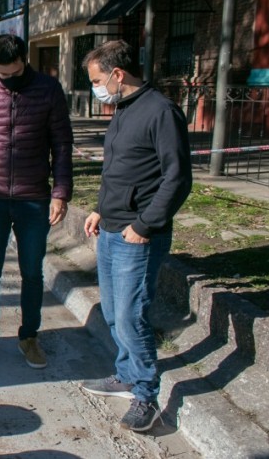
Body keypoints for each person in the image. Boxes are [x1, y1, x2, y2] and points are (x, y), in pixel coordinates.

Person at [79, 40, 192, 432]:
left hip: (138, 236)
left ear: (117, 74)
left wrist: (145, 225)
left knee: (130, 316)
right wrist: (99, 208)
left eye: (96, 80)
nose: (96, 88)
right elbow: (121, 171)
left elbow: (177, 178)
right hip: (111, 229)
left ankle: (145, 394)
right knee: (112, 313)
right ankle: (126, 373)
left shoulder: (161, 112)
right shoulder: (123, 111)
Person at [0, 34, 73, 370]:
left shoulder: (48, 89)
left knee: (32, 272)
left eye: (16, 71)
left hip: (33, 199)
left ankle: (29, 336)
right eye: (2, 73)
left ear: (25, 59)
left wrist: (60, 192)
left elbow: (62, 144)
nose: (9, 79)